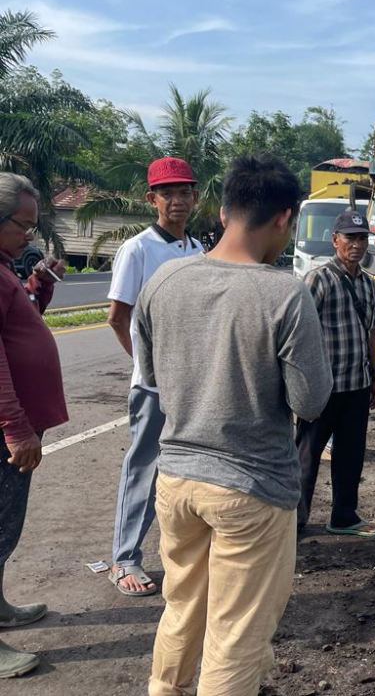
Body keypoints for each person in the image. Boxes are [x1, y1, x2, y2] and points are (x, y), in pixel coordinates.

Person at [134, 153, 333, 696]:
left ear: (223, 211)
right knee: (235, 637)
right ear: (284, 218)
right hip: (252, 488)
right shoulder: (284, 293)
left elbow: (150, 373)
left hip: (175, 480)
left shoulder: (166, 279)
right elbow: (311, 402)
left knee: (181, 609)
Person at [106, 157, 204, 596]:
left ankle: (184, 551)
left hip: (194, 384)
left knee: (186, 469)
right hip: (154, 387)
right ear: (153, 199)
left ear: (195, 197)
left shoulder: (197, 250)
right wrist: (147, 368)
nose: (178, 200)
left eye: (185, 191)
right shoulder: (139, 249)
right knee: (143, 469)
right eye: (168, 193)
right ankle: (124, 558)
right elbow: (116, 316)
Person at [0, 173, 68, 678]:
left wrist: (38, 287)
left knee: (6, 527)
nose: (31, 234)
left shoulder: (4, 269)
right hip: (6, 430)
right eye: (23, 225)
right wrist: (15, 426)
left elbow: (19, 321)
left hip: (17, 424)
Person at [296, 210, 375, 537]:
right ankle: (294, 521)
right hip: (322, 387)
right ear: (335, 240)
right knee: (307, 456)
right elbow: (299, 331)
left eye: (362, 238)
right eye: (350, 237)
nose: (357, 244)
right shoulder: (317, 280)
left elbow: (372, 332)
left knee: (350, 456)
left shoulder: (369, 285)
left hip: (357, 385)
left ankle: (344, 516)